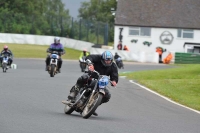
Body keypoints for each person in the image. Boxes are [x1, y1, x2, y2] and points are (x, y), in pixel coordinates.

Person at [62, 51, 118, 116]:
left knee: (107, 96)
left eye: (109, 60)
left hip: (101, 82)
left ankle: (92, 106)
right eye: (106, 60)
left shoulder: (113, 65)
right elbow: (89, 57)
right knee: (83, 78)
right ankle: (74, 92)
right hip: (91, 76)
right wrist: (90, 64)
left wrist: (114, 81)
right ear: (103, 59)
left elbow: (115, 75)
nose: (108, 61)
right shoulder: (98, 58)